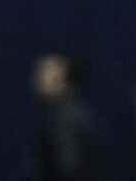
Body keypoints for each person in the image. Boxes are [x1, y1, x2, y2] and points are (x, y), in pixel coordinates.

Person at [27, 53, 99, 181]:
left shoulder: (66, 121)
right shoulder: (64, 117)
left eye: (47, 70)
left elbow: (70, 170)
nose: (38, 77)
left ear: (66, 78)